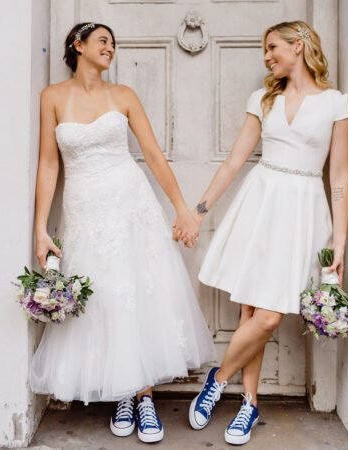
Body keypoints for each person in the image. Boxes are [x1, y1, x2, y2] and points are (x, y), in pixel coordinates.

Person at [30, 22, 214, 444]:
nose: (110, 48)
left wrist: (182, 208)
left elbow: (152, 154)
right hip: (85, 209)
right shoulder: (53, 98)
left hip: (131, 204)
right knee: (105, 298)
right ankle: (123, 396)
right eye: (102, 41)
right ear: (78, 45)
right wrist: (41, 228)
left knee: (137, 294)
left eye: (113, 43)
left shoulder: (124, 96)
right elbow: (48, 165)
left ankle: (143, 396)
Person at [177, 21, 348, 446]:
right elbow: (235, 161)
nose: (267, 57)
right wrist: (199, 210)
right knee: (251, 313)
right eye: (264, 51)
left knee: (271, 314)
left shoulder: (335, 103)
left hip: (304, 209)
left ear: (299, 45)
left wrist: (339, 240)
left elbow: (340, 176)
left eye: (273, 48)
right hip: (262, 202)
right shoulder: (263, 98)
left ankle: (218, 379)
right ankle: (250, 404)